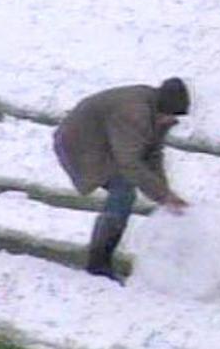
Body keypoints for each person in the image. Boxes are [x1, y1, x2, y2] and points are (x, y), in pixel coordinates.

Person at [53, 77, 191, 284]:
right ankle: (98, 263)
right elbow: (130, 162)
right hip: (82, 142)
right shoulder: (134, 114)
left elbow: (152, 154)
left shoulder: (155, 112)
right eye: (170, 116)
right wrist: (163, 196)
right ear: (163, 109)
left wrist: (165, 192)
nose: (171, 121)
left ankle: (101, 260)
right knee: (123, 190)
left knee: (125, 186)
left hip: (107, 139)